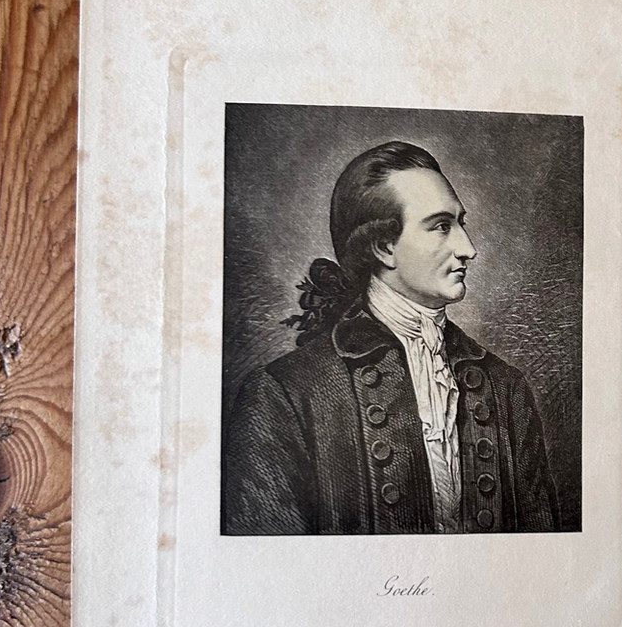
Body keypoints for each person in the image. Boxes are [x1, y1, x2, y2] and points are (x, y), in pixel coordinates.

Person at [222, 140, 560, 535]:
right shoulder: (285, 394)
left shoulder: (505, 388)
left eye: (461, 223)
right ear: (384, 248)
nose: (467, 248)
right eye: (441, 226)